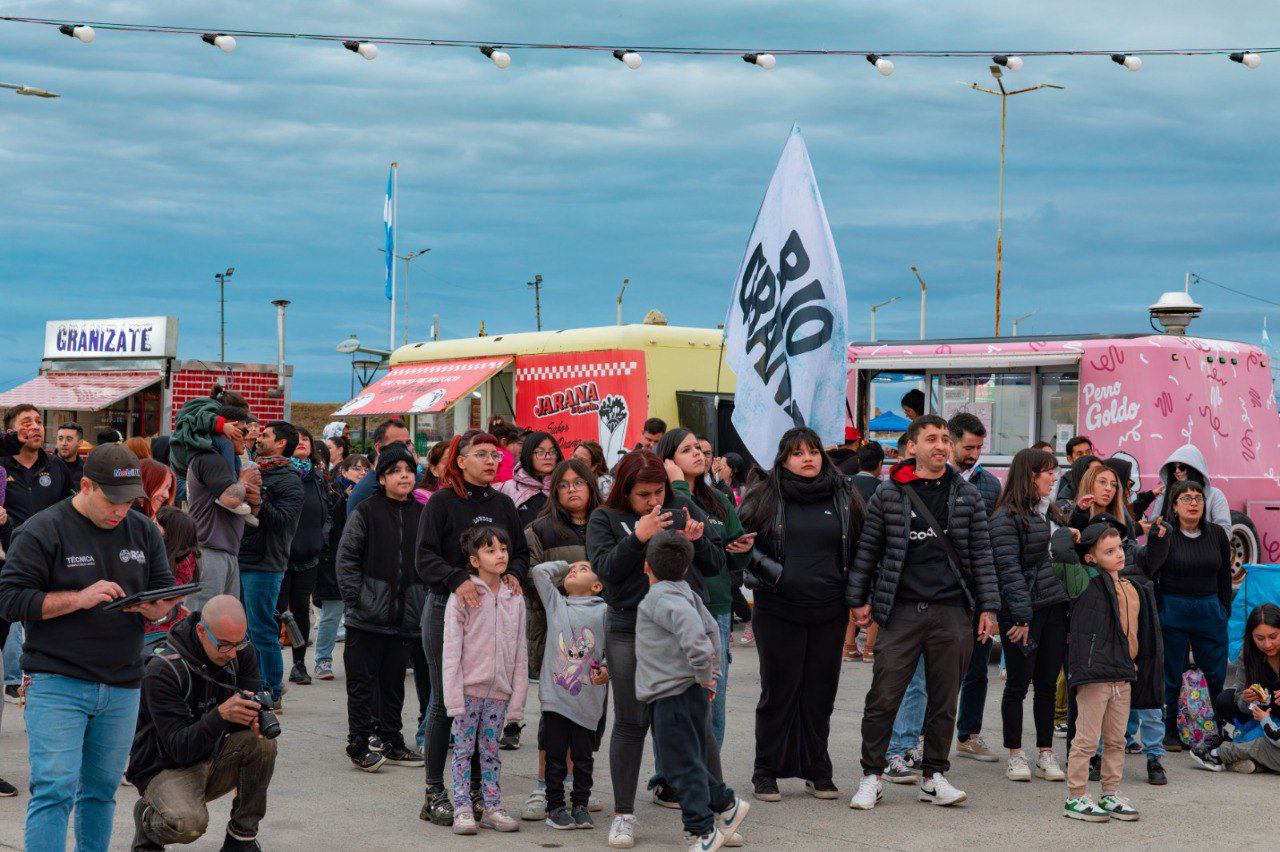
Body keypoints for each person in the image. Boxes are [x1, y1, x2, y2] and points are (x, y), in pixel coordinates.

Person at [0, 444, 180, 852]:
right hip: (57, 681)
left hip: (123, 682)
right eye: (112, 501)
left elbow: (163, 587)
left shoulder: (143, 529)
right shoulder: (44, 529)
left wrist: (158, 608)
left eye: (129, 501)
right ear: (85, 485)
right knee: (54, 790)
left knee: (101, 793)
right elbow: (9, 599)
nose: (120, 511)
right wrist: (77, 598)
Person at [846, 414, 999, 811]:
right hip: (900, 611)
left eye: (946, 439)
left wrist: (989, 608)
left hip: (952, 612)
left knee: (944, 700)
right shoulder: (888, 493)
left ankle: (934, 775)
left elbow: (983, 555)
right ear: (912, 446)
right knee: (883, 697)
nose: (941, 446)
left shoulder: (967, 495)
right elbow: (868, 550)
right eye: (932, 438)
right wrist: (858, 600)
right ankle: (871, 776)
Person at [586, 450, 726, 849]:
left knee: (696, 724)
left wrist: (695, 543)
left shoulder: (682, 506)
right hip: (629, 627)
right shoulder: (605, 518)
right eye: (643, 494)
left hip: (680, 630)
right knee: (631, 721)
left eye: (658, 491)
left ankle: (710, 815)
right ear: (624, 491)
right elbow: (607, 572)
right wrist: (640, 537)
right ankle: (623, 815)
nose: (654, 502)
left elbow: (716, 566)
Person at [737, 427, 862, 803]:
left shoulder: (844, 494)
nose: (807, 458)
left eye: (813, 451)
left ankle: (817, 770)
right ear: (783, 459)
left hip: (829, 611)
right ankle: (766, 771)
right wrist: (775, 574)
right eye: (797, 453)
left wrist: (858, 595)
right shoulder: (763, 496)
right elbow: (738, 545)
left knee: (820, 693)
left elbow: (861, 546)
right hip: (778, 610)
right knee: (779, 691)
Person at [415, 432, 530, 827]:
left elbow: (521, 553)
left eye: (494, 454)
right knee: (446, 701)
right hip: (447, 606)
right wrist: (454, 579)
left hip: (493, 614)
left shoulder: (502, 503)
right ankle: (435, 792)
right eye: (480, 454)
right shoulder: (442, 502)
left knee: (485, 708)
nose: (490, 460)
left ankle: (479, 794)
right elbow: (424, 555)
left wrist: (513, 573)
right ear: (459, 460)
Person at [127, 595, 276, 851]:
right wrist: (221, 715)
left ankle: (241, 840)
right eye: (225, 645)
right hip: (164, 767)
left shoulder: (241, 651)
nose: (232, 654)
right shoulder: (164, 670)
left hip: (210, 755)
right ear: (201, 631)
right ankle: (148, 819)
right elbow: (178, 749)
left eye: (238, 644)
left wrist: (252, 718)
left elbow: (245, 720)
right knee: (188, 824)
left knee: (262, 744)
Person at [637, 531, 750, 850]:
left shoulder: (660, 598)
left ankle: (702, 830)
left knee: (680, 765)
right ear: (686, 568)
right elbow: (713, 630)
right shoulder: (685, 591)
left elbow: (698, 641)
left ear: (646, 566)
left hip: (674, 694)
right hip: (686, 692)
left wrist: (705, 675)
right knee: (688, 759)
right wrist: (711, 675)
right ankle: (726, 805)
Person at [1052, 522, 1159, 822]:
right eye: (1109, 551)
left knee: (1116, 740)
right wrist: (1067, 535)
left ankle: (1110, 793)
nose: (1119, 555)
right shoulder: (1083, 582)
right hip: (1093, 674)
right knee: (1086, 740)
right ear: (1090, 558)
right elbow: (1060, 553)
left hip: (1122, 673)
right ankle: (1076, 796)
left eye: (1120, 548)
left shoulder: (1130, 586)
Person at [521, 458, 604, 818]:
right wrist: (569, 584)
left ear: (591, 485)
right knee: (554, 714)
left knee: (589, 716)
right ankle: (544, 787)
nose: (572, 489)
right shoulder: (540, 529)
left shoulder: (606, 525)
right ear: (554, 491)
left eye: (579, 482)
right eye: (564, 484)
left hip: (597, 635)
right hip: (555, 630)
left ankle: (576, 786)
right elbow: (531, 579)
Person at [337, 444, 427, 770]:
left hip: (407, 617)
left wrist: (422, 603)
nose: (404, 476)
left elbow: (429, 562)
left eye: (408, 471)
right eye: (395, 471)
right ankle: (359, 743)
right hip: (367, 617)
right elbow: (347, 561)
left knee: (393, 685)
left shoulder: (422, 514)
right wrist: (358, 601)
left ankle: (392, 739)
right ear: (383, 478)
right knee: (362, 685)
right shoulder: (366, 511)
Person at [657, 428, 748, 748]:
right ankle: (668, 778)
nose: (699, 454)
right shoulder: (662, 498)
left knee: (713, 701)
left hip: (716, 607)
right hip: (672, 608)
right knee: (674, 697)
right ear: (669, 460)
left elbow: (731, 555)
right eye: (687, 449)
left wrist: (742, 551)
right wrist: (678, 486)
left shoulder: (720, 500)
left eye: (700, 448)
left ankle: (709, 777)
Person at [989, 448, 1070, 782]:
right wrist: (1021, 618)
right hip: (1022, 613)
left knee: (1048, 684)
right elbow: (1009, 572)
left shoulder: (1047, 511)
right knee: (1018, 685)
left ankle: (1046, 754)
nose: (1054, 478)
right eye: (1048, 472)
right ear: (1030, 475)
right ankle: (1015, 754)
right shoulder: (1005, 518)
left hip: (1053, 606)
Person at [443, 525, 527, 834]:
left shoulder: (514, 597)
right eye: (490, 550)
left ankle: (492, 806)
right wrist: (453, 696)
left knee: (491, 752)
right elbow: (451, 651)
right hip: (467, 691)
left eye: (503, 548)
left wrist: (516, 704)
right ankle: (462, 806)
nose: (500, 555)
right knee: (463, 751)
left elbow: (520, 652)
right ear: (474, 559)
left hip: (500, 693)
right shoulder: (463, 597)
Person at [532, 560, 609, 831]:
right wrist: (566, 564)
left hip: (588, 700)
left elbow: (611, 648)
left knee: (583, 758)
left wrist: (607, 669)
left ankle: (580, 805)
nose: (575, 571)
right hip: (555, 697)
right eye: (572, 571)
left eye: (584, 570)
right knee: (554, 755)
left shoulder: (604, 611)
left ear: (597, 586)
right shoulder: (557, 603)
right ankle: (555, 807)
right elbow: (539, 572)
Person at [1158, 479, 1232, 751]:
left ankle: (1216, 729)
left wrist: (1224, 610)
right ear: (1174, 506)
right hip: (1173, 609)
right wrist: (1160, 609)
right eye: (1186, 498)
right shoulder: (1165, 534)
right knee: (1171, 673)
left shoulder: (1216, 534)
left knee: (1215, 672)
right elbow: (1153, 573)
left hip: (1209, 609)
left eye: (1198, 498)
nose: (1193, 503)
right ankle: (1171, 731)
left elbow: (1224, 575)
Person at [947, 413, 1004, 762]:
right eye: (968, 446)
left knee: (978, 666)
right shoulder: (935, 479)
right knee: (935, 669)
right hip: (942, 587)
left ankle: (968, 734)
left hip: (978, 584)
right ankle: (922, 736)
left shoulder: (990, 484)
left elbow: (993, 541)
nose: (974, 453)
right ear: (951, 441)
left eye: (980, 447)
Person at [237, 421, 304, 708]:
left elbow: (283, 523)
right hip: (247, 557)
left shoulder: (289, 480)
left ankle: (272, 691)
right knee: (247, 630)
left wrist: (259, 500)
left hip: (266, 563)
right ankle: (256, 685)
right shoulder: (256, 469)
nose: (258, 437)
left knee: (262, 629)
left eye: (265, 435)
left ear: (280, 444)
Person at [183, 405, 257, 613]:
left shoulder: (225, 460)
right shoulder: (211, 459)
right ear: (228, 428)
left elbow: (245, 509)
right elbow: (230, 499)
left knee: (223, 620)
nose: (247, 436)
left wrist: (255, 497)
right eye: (243, 430)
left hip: (225, 550)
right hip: (210, 551)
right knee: (202, 618)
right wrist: (244, 480)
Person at [1191, 603, 1280, 773]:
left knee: (1262, 743)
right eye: (1260, 638)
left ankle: (1237, 756)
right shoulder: (1247, 654)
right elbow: (1240, 700)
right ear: (1251, 636)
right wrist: (1247, 700)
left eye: (1273, 636)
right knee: (1226, 699)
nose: (1267, 644)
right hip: (1262, 717)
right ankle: (1245, 754)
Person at [278, 427, 330, 686]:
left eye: (306, 440)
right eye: (297, 440)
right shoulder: (280, 473)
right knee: (277, 610)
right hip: (280, 555)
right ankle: (271, 664)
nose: (302, 443)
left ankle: (299, 664)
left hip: (309, 554)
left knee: (300, 609)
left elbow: (326, 511)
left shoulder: (318, 476)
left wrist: (323, 538)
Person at [313, 455, 367, 682]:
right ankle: (322, 660)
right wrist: (344, 501)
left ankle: (359, 661)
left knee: (361, 616)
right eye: (356, 468)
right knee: (332, 613)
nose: (361, 472)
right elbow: (326, 528)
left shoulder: (368, 495)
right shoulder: (333, 494)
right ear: (343, 472)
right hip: (333, 562)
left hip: (362, 563)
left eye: (366, 469)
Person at [145, 506, 200, 651]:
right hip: (174, 633)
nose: (150, 525)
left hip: (155, 636)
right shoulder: (187, 559)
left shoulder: (165, 565)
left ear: (169, 535)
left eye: (156, 524)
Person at [1148, 445, 1232, 536]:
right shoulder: (1164, 495)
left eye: (1182, 467)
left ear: (1194, 469)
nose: (1177, 471)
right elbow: (1154, 525)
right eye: (1173, 467)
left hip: (1203, 549)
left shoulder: (1215, 495)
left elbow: (1225, 531)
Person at [346, 418, 414, 516]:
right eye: (397, 444)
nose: (405, 449)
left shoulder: (417, 482)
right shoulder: (362, 493)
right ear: (378, 448)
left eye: (408, 443)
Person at [497, 430, 562, 528]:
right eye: (540, 452)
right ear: (528, 454)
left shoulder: (563, 485)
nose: (548, 457)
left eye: (552, 452)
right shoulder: (510, 487)